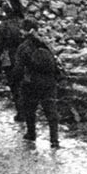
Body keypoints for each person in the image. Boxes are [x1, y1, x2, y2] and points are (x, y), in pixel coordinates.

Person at [12, 19, 61, 148]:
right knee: (51, 111)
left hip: (30, 83)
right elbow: (55, 63)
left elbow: (18, 68)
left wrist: (16, 81)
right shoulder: (45, 44)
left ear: (24, 31)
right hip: (49, 82)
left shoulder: (23, 47)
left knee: (30, 109)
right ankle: (54, 140)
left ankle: (31, 133)